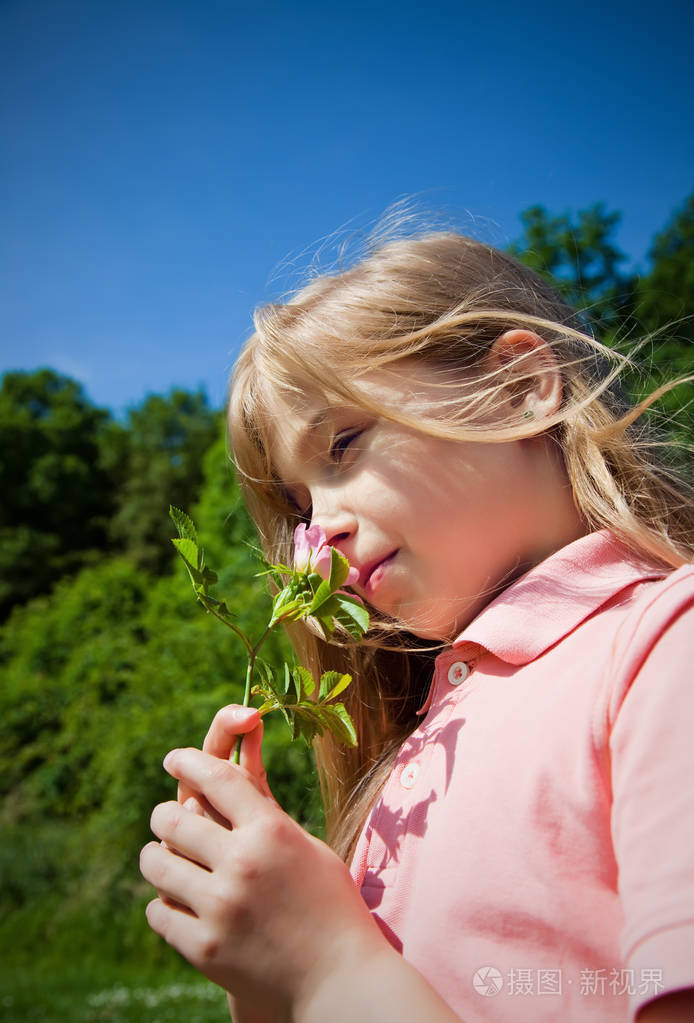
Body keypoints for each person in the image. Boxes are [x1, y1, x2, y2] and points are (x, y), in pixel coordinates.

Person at [139, 228, 694, 1022]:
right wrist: (270, 969)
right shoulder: (420, 739)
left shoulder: (664, 643)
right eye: (297, 507)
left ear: (518, 386)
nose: (318, 528)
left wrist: (327, 964)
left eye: (344, 442)